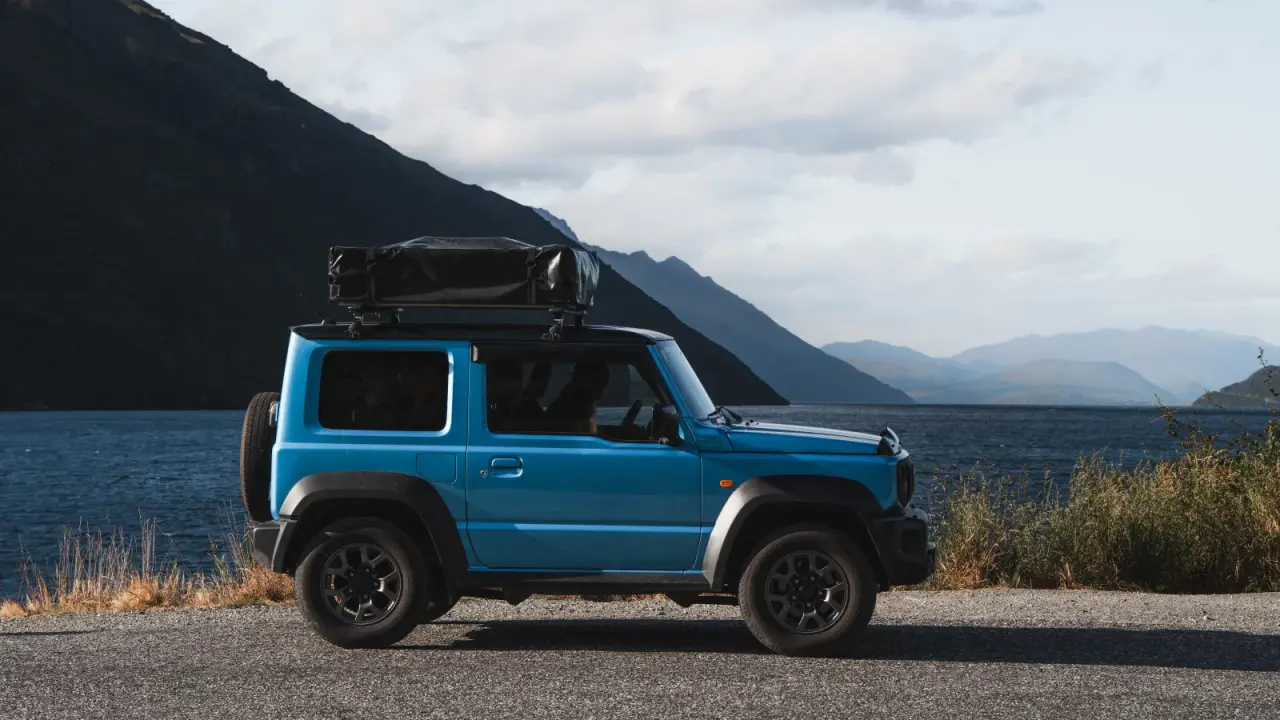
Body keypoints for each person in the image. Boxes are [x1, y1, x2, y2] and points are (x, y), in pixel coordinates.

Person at [544, 361, 610, 435]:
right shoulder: (574, 406)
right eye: (598, 383)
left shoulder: (584, 401)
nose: (601, 390)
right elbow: (588, 436)